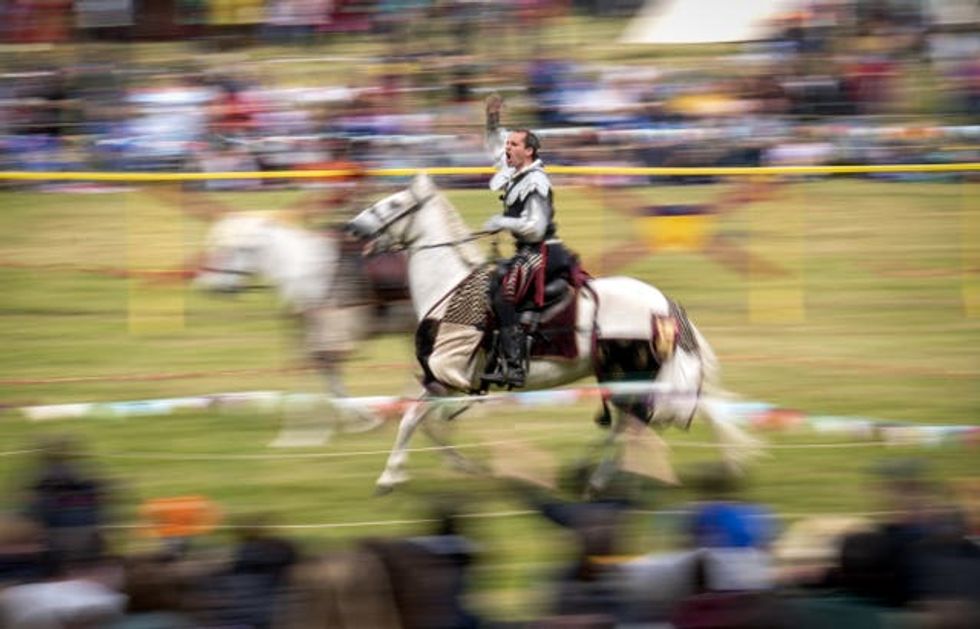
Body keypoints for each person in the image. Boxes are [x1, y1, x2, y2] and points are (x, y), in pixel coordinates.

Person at [481, 93, 577, 388]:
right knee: (491, 281)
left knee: (504, 293)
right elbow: (495, 146)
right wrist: (493, 118)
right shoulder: (516, 171)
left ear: (529, 151)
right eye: (508, 143)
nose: (507, 148)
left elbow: (535, 228)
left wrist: (502, 222)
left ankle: (514, 365)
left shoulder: (536, 181)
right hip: (528, 250)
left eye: (514, 144)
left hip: (543, 252)